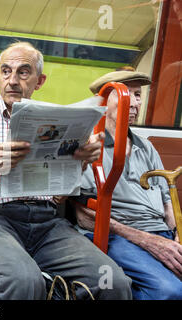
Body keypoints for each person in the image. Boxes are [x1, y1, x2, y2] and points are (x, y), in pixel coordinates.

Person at [0, 41, 132, 300]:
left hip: (48, 222)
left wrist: (81, 161)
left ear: (40, 80)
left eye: (23, 72)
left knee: (112, 281)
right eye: (5, 71)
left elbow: (59, 196)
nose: (12, 80)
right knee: (25, 281)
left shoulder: (55, 119)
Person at [72, 69, 182, 300]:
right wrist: (148, 240)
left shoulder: (146, 146)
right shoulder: (89, 145)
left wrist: (176, 236)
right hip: (119, 236)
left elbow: (166, 202)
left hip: (160, 231)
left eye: (138, 94)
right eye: (125, 94)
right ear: (104, 100)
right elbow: (84, 216)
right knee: (170, 291)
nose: (133, 102)